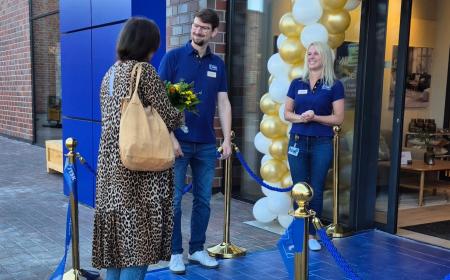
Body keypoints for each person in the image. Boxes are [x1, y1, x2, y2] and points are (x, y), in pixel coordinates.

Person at [92, 17, 182, 280]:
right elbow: (169, 115)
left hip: (110, 165)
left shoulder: (109, 74)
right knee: (137, 243)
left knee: (118, 244)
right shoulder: (144, 72)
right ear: (146, 45)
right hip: (137, 167)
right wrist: (181, 107)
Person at [158, 8, 232, 275]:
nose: (197, 31)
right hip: (178, 142)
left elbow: (223, 102)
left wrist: (226, 139)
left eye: (203, 28)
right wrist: (170, 136)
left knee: (204, 199)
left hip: (206, 144)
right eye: (195, 26)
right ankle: (175, 253)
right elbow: (158, 102)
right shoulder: (174, 57)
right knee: (175, 201)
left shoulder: (218, 64)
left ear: (213, 32)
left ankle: (197, 249)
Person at [284, 41, 345, 251]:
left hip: (322, 144)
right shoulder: (297, 83)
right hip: (298, 143)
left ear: (325, 57)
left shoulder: (335, 85)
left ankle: (312, 236)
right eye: (309, 54)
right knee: (299, 189)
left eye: (316, 54)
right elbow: (287, 113)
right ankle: (299, 235)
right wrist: (302, 119)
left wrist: (315, 116)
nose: (311, 57)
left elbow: (338, 118)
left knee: (316, 190)